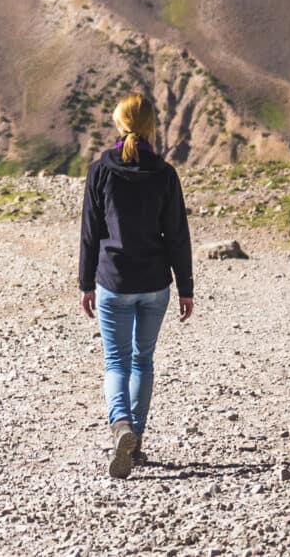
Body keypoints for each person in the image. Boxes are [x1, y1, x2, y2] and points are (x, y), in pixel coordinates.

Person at [77, 92, 194, 479]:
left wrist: (85, 282)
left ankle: (121, 427)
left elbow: (90, 233)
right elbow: (177, 234)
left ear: (119, 123)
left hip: (113, 280)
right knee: (142, 360)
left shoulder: (101, 170)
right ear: (149, 127)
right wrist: (186, 287)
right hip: (155, 283)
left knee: (116, 361)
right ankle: (136, 441)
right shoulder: (164, 173)